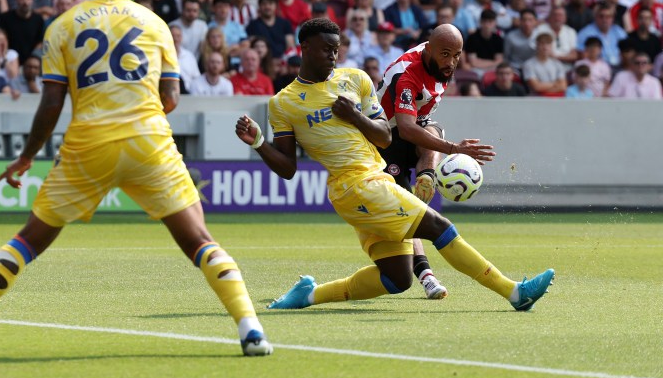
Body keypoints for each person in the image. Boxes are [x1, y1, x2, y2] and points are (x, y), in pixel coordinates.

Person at [0, 0, 272, 358]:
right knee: (200, 242)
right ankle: (251, 330)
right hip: (148, 142)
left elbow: (50, 104)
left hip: (89, 145)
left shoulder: (62, 25)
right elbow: (171, 95)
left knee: (28, 241)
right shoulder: (154, 23)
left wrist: (27, 156)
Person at [236, 19, 553, 313]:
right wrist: (258, 143)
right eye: (325, 49)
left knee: (397, 278)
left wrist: (355, 116)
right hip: (353, 185)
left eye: (337, 49)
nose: (333, 55)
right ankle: (514, 292)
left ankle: (309, 294)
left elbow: (385, 137)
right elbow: (288, 167)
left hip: (374, 178)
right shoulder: (284, 103)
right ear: (303, 48)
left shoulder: (355, 79)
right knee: (438, 227)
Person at [370, 23, 498, 298]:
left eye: (457, 55)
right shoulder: (406, 75)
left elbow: (418, 121)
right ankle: (426, 275)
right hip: (386, 143)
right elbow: (405, 127)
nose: (451, 62)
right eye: (445, 54)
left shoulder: (440, 62)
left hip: (415, 128)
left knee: (431, 129)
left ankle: (427, 176)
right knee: (409, 212)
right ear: (429, 50)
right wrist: (453, 149)